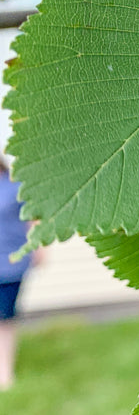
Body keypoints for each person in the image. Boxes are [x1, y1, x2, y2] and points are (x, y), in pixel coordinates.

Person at [0, 155, 32, 390]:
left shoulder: (14, 187)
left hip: (10, 264)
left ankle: (5, 372)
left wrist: (37, 247)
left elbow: (32, 218)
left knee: (5, 318)